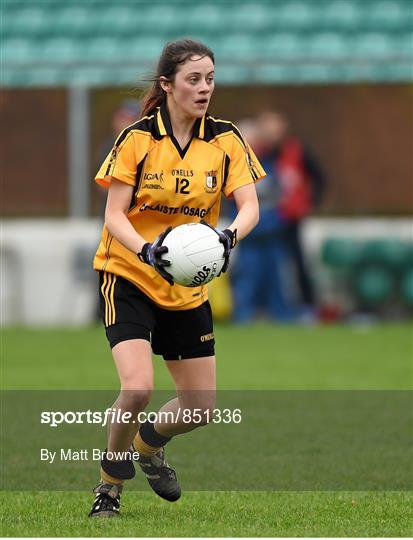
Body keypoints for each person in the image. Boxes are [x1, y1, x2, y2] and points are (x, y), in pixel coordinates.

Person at [89, 38, 265, 518]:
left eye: (210, 78)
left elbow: (249, 207)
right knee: (138, 389)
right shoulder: (138, 138)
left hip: (187, 286)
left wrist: (227, 237)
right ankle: (109, 486)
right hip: (129, 274)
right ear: (167, 85)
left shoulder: (225, 139)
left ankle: (148, 446)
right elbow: (113, 215)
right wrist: (147, 251)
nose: (204, 88)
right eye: (193, 79)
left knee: (200, 407)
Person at [256, 110, 326, 316]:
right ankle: (265, 306)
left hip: (290, 218)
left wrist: (309, 202)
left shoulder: (296, 150)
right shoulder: (257, 153)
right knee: (264, 265)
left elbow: (319, 178)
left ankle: (307, 306)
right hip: (266, 219)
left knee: (298, 263)